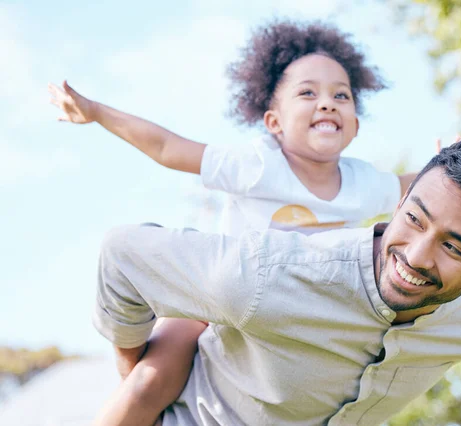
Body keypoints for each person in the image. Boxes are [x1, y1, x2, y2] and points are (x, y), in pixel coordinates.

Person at [48, 20, 418, 425]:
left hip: (296, 309)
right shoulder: (258, 164)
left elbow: (420, 187)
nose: (327, 102)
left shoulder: (364, 182)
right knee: (147, 382)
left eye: (341, 95)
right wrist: (98, 112)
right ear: (274, 121)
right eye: (308, 92)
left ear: (355, 127)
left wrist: (455, 159)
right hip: (219, 301)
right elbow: (168, 148)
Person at [93, 139, 461, 425]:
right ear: (400, 202)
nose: (416, 257)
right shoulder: (270, 275)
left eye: (454, 248)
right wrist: (134, 367)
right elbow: (122, 254)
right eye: (415, 219)